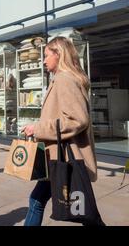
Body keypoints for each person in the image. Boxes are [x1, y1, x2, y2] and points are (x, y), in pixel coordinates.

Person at [22, 37, 103, 226]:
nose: (43, 61)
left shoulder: (64, 79)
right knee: (79, 208)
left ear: (58, 54)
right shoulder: (62, 78)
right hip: (59, 157)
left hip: (65, 158)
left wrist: (38, 128)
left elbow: (77, 119)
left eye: (47, 55)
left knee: (82, 210)